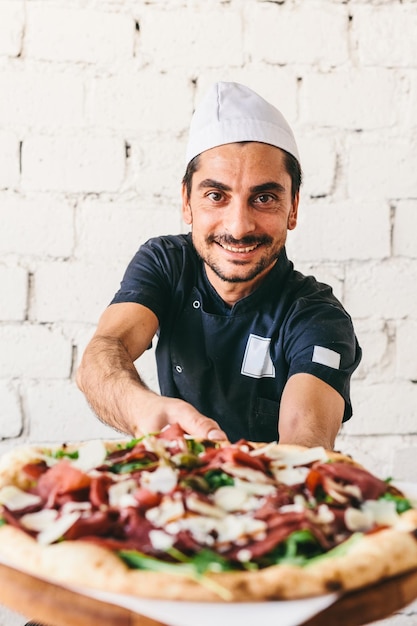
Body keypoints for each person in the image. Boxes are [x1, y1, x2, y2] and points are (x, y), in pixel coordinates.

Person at [76, 81, 362, 450]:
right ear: (187, 203)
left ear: (293, 208)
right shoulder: (167, 264)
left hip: (271, 500)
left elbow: (303, 449)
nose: (238, 226)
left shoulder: (318, 318)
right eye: (216, 195)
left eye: (264, 198)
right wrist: (141, 408)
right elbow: (103, 353)